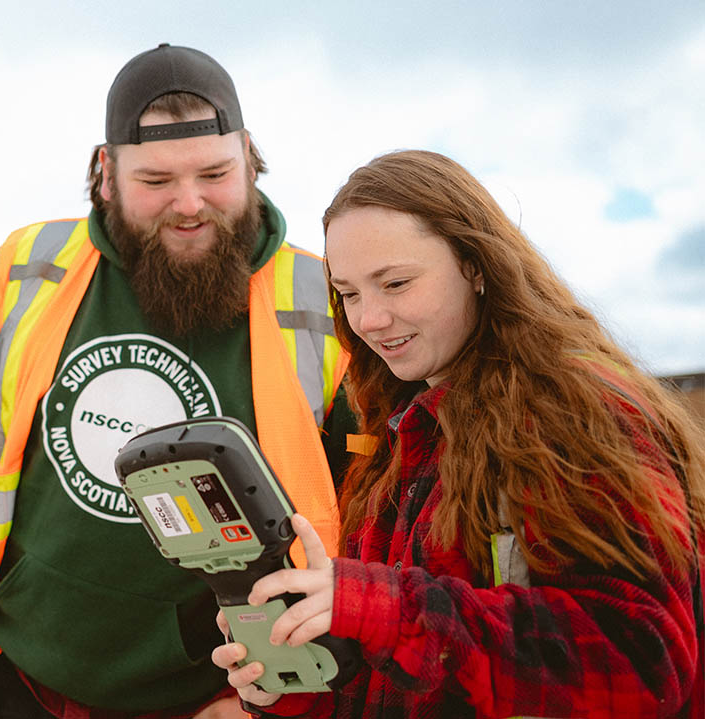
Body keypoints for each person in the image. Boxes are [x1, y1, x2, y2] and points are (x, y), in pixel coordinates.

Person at [0, 44, 357, 718]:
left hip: (223, 696)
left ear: (251, 158)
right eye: (155, 180)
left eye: (214, 173)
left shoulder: (331, 301)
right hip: (23, 682)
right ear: (105, 172)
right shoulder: (20, 271)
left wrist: (264, 701)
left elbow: (382, 530)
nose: (190, 203)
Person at [212, 149, 705, 718]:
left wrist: (382, 610)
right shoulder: (401, 432)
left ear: (475, 264)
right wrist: (301, 684)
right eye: (348, 293)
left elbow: (640, 665)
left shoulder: (577, 414)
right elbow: (408, 679)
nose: (369, 318)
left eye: (395, 283)